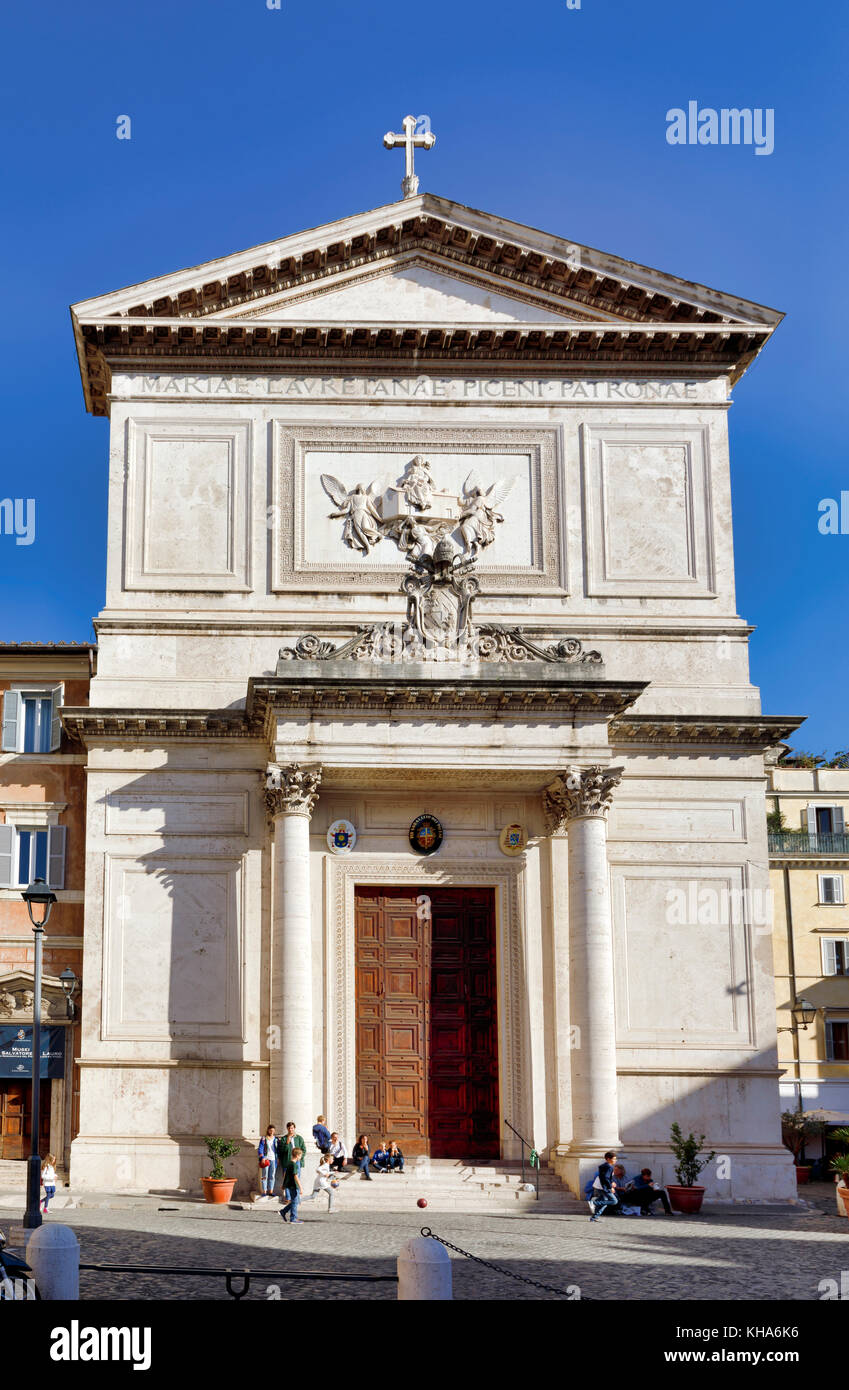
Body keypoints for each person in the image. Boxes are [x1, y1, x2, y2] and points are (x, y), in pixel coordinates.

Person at [589, 1150, 619, 1222]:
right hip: (603, 1187)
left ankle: (594, 1217)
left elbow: (605, 1177)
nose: (615, 1160)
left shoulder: (604, 1166)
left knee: (604, 1202)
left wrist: (611, 1183)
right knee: (614, 1201)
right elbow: (605, 1178)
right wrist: (610, 1187)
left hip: (599, 1185)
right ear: (608, 1159)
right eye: (614, 1159)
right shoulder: (609, 1167)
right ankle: (593, 1203)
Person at [280, 1146, 304, 1224]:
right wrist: (301, 1187)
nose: (301, 1157)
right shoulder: (294, 1165)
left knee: (294, 1201)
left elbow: (285, 1175)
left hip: (289, 1185)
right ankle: (293, 1218)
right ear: (297, 1155)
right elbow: (295, 1176)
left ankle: (283, 1211)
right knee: (295, 1202)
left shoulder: (289, 1163)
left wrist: (283, 1185)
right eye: (300, 1156)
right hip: (293, 1185)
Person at [257, 1125, 278, 1196]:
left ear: (274, 1131)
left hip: (273, 1159)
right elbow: (260, 1148)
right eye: (270, 1130)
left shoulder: (276, 1139)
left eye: (273, 1130)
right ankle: (264, 1191)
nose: (272, 1132)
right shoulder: (263, 1138)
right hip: (266, 1159)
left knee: (272, 1175)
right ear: (268, 1130)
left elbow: (278, 1149)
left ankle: (271, 1191)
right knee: (264, 1175)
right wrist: (262, 1157)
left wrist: (278, 1158)